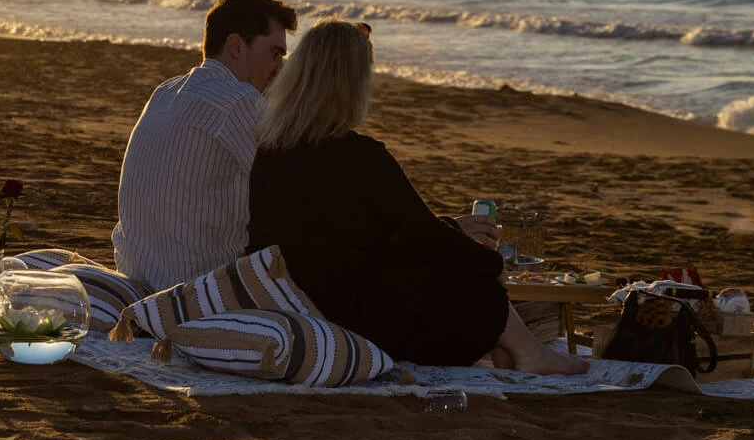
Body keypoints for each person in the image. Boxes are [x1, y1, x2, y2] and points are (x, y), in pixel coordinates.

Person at [246, 19, 588, 374]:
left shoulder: (271, 152)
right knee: (478, 286)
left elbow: (373, 234)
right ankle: (530, 352)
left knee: (451, 266)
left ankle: (521, 349)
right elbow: (423, 238)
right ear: (352, 85)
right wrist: (494, 265)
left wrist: (451, 229)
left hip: (295, 306)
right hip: (353, 320)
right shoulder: (362, 157)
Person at [111, 0, 299, 291]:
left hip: (138, 280)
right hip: (196, 293)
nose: (280, 67)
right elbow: (294, 189)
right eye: (275, 54)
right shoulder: (239, 101)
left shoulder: (165, 92)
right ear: (236, 46)